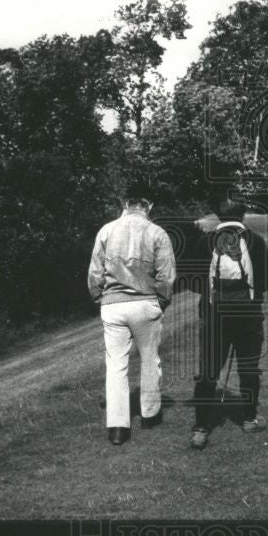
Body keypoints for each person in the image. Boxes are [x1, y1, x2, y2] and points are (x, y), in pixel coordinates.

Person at [87, 182, 176, 447]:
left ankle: (117, 427)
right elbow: (166, 276)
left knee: (116, 365)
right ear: (149, 205)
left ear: (124, 203)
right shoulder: (157, 232)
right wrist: (161, 301)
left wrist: (99, 297)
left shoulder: (106, 230)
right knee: (150, 359)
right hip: (145, 303)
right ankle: (149, 414)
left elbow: (95, 273)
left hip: (113, 304)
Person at [190, 199, 268, 450]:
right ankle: (249, 419)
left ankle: (200, 428)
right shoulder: (255, 241)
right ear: (243, 215)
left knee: (208, 371)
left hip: (213, 315)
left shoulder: (205, 241)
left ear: (218, 215)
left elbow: (193, 280)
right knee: (249, 368)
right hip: (248, 315)